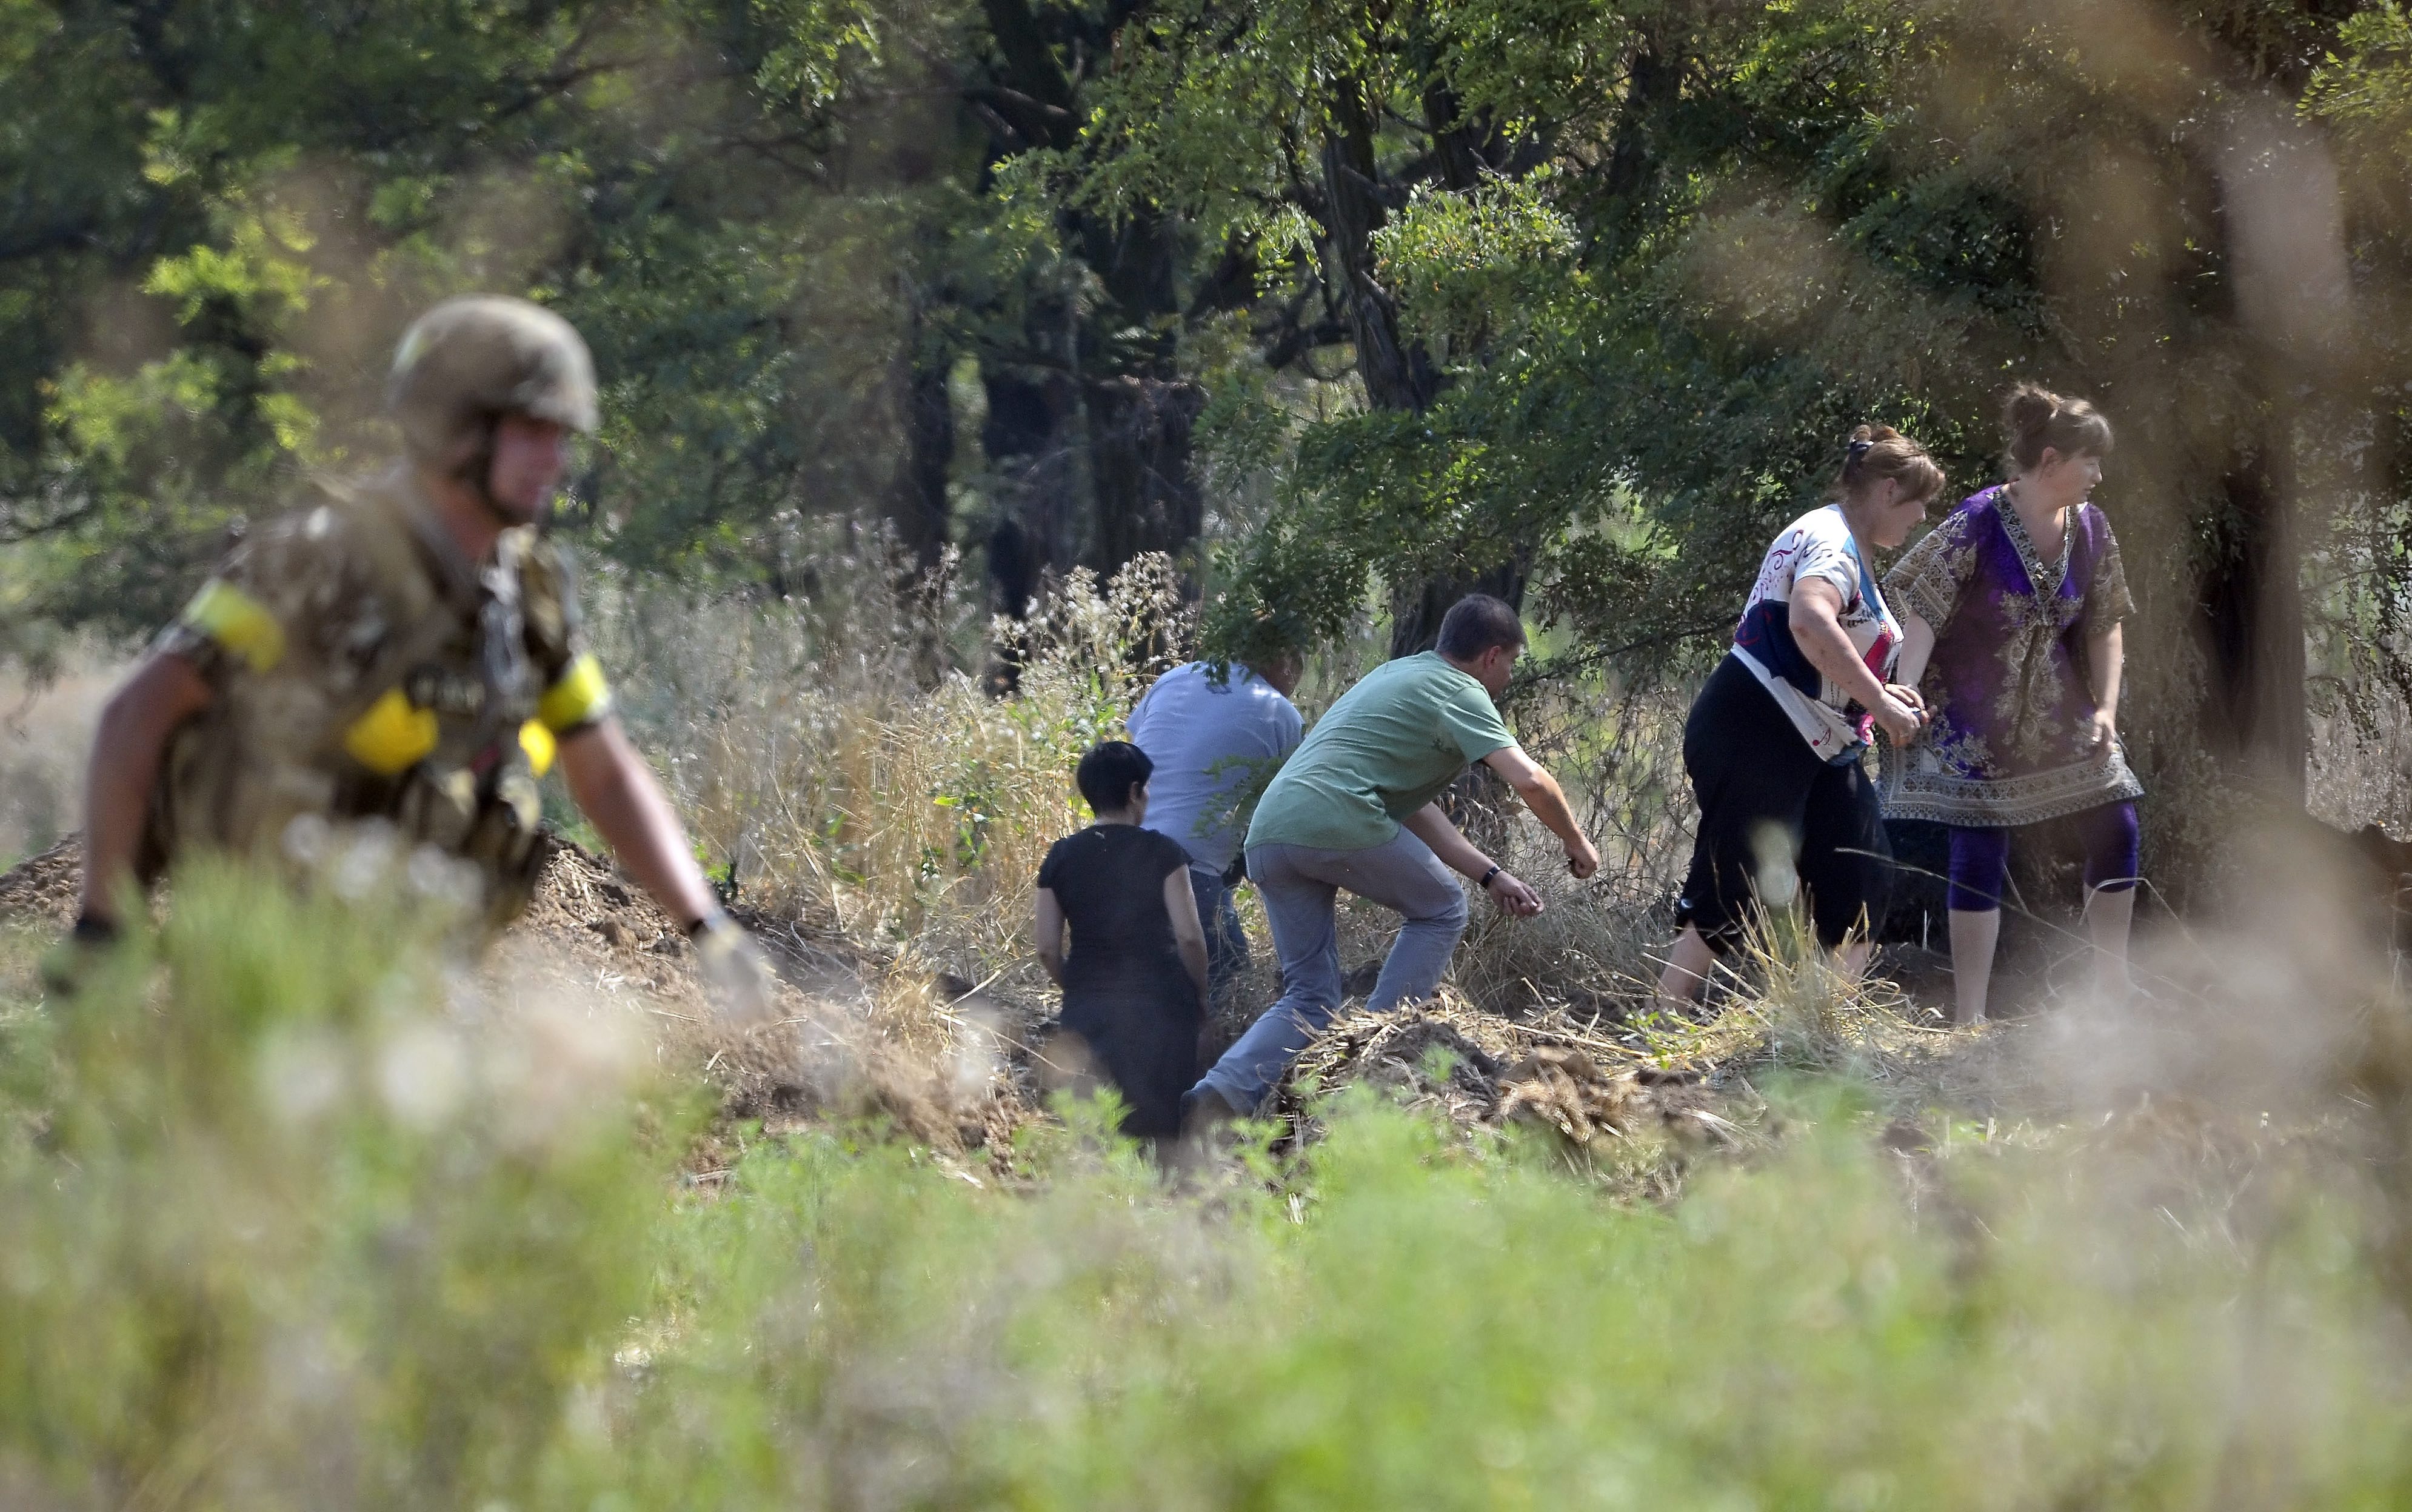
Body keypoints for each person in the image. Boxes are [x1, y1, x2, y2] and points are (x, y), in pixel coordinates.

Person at [72, 295, 775, 1015]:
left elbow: (605, 771)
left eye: (562, 435)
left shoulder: (529, 591)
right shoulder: (317, 560)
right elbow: (138, 715)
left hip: (418, 984)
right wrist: (103, 922)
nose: (556, 459)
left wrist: (707, 927)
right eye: (534, 430)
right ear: (455, 429)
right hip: (263, 975)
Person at [1184, 594, 1602, 1122]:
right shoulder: (1460, 689)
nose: (1510, 677)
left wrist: (1491, 874)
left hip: (1270, 834)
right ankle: (1379, 1051)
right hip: (1334, 818)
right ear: (1492, 656)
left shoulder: (1398, 675)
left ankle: (1218, 1094)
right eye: (1513, 664)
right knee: (1441, 909)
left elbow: (1415, 810)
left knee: (1309, 993)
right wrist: (1575, 839)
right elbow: (1531, 780)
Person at [1656, 425, 1944, 1010]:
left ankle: (1824, 1028)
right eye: (1918, 504)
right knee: (1734, 877)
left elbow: (1834, 651)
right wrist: (1881, 702)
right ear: (1889, 491)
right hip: (1758, 723)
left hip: (1818, 743)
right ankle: (1662, 1018)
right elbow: (1810, 623)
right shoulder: (1830, 537)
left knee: (1863, 874)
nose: (1921, 518)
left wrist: (1886, 693)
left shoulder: (1848, 545)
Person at [1882, 384, 2141, 1023]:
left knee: (2117, 820)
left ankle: (2111, 989)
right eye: (2090, 462)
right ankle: (1969, 1015)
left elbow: (2107, 623)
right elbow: (1925, 606)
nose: (2099, 475)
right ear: (2051, 460)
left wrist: (2106, 709)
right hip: (1972, 714)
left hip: (2057, 710)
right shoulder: (1980, 519)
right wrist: (1904, 690)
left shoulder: (2091, 528)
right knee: (1980, 844)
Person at [1034, 741, 1212, 1140]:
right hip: (1162, 1006)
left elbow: (1046, 946)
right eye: (1145, 789)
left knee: (1095, 1130)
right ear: (1134, 791)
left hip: (1089, 1009)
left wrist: (1078, 988)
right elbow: (1189, 937)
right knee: (1161, 1130)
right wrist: (1199, 994)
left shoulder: (1061, 856)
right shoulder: (1163, 852)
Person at [1126, 648, 1304, 1003]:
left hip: (1122, 846)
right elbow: (1280, 807)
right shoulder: (1281, 714)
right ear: (1283, 664)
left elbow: (1137, 741)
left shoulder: (1174, 678)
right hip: (1190, 867)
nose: (1293, 687)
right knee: (1231, 988)